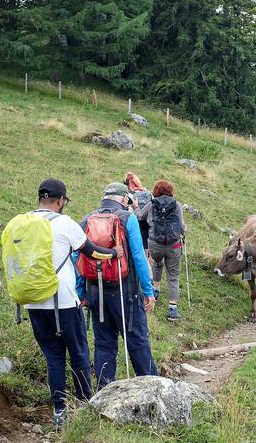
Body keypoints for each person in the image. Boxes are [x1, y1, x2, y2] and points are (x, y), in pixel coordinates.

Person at [22, 178, 120, 428]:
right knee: (78, 353)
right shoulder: (64, 223)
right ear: (61, 200)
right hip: (64, 301)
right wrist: (115, 253)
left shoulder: (24, 222)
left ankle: (59, 412)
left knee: (53, 358)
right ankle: (85, 403)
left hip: (33, 301)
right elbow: (92, 252)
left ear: (40, 198)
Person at [80, 182, 158, 387]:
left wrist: (82, 292)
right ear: (125, 199)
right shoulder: (127, 218)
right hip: (126, 292)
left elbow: (76, 258)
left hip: (95, 291)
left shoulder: (87, 219)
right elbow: (140, 258)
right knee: (137, 341)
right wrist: (149, 290)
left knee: (103, 343)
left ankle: (104, 390)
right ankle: (153, 388)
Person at [137, 179, 186, 322]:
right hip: (174, 246)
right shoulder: (177, 205)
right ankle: (172, 309)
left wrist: (134, 206)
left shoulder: (151, 204)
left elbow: (140, 216)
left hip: (155, 245)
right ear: (171, 191)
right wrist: (184, 230)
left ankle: (155, 290)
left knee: (157, 264)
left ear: (156, 191)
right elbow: (181, 227)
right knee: (173, 277)